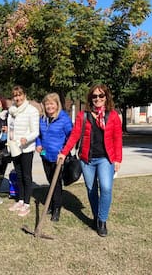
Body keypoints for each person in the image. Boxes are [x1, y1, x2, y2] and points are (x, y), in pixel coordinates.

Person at [58, 84, 122, 237]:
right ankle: (96, 217)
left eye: (101, 96)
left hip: (106, 158)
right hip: (87, 159)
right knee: (91, 190)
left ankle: (102, 221)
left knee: (106, 188)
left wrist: (118, 159)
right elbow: (74, 136)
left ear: (106, 97)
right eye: (94, 96)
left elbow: (117, 139)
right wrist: (63, 152)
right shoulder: (83, 115)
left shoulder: (112, 115)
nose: (98, 99)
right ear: (90, 98)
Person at [35, 93, 73, 222]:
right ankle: (52, 204)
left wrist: (63, 152)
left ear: (57, 105)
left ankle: (56, 208)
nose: (49, 106)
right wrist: (38, 145)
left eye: (52, 103)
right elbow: (38, 135)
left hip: (58, 157)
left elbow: (71, 137)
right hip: (45, 155)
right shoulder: (42, 119)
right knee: (50, 181)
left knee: (56, 183)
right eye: (47, 104)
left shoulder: (64, 119)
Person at [7, 85, 40, 217]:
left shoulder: (31, 110)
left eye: (20, 95)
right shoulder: (12, 111)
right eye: (15, 95)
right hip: (14, 147)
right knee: (19, 175)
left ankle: (26, 203)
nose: (18, 98)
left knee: (26, 176)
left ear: (24, 95)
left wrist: (26, 138)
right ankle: (20, 200)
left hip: (26, 148)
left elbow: (35, 131)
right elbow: (11, 127)